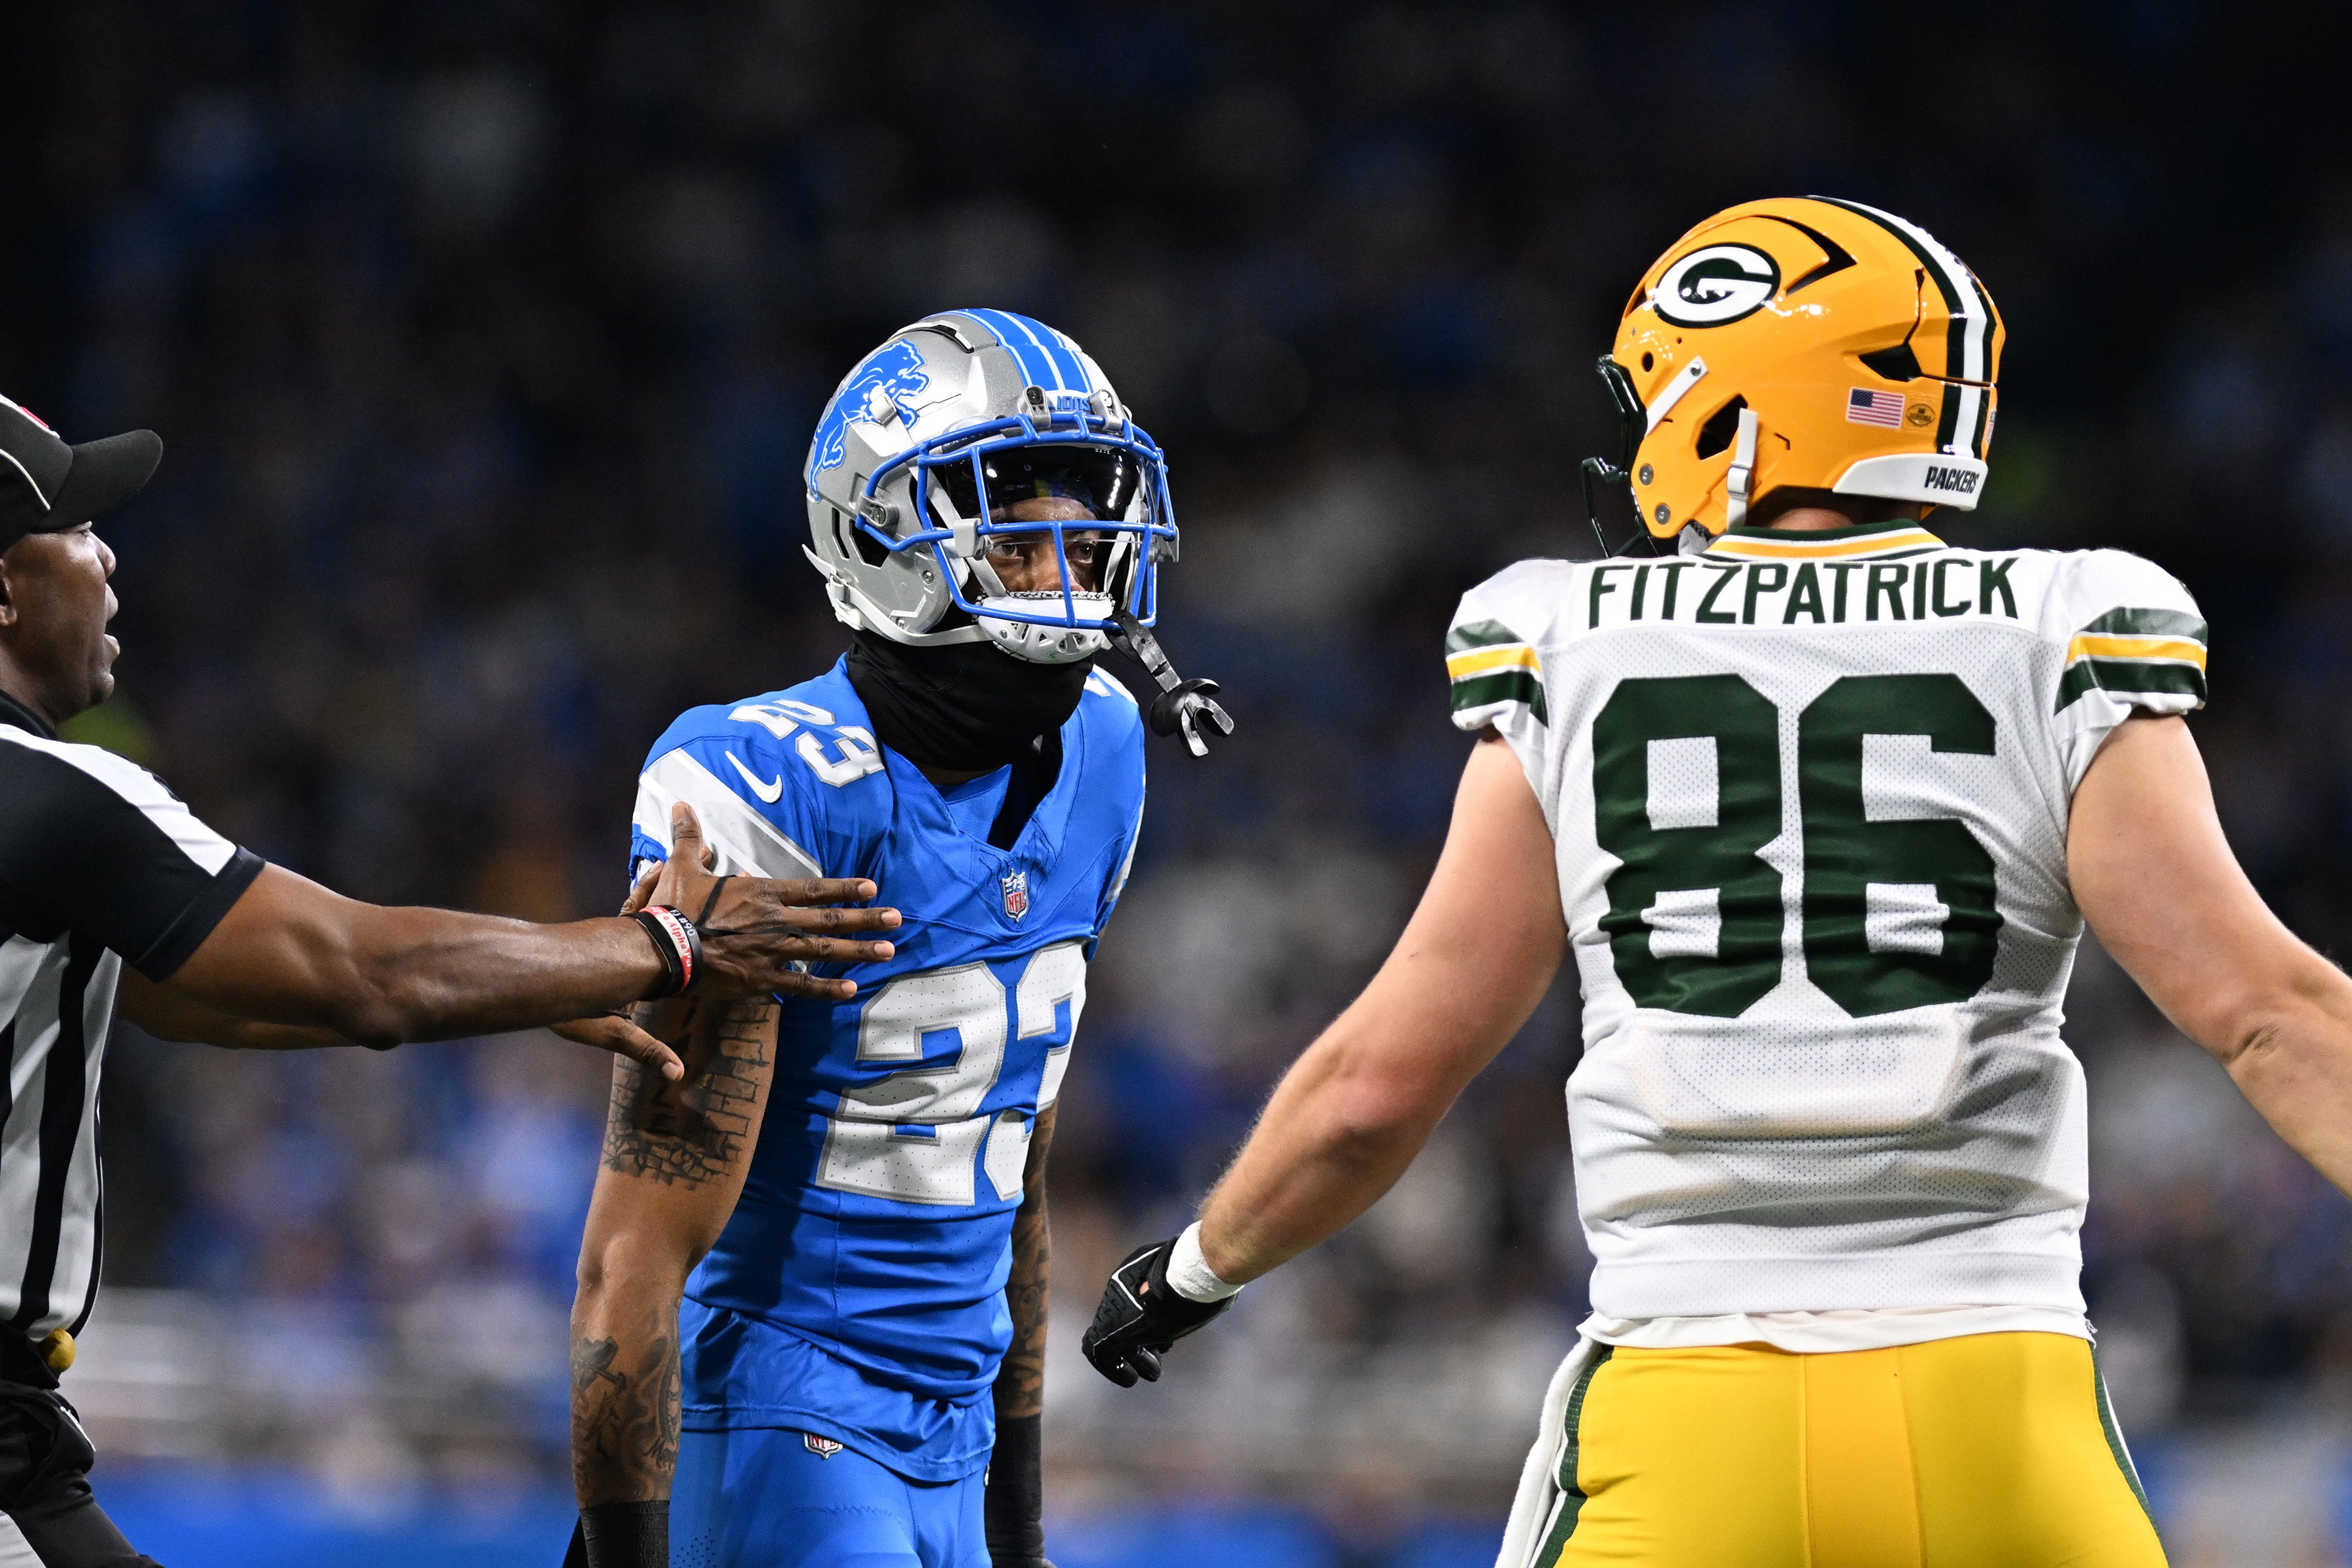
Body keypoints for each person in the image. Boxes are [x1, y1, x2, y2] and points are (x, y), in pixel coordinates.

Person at [1079, 197, 2336, 1567]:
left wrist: (1198, 1268)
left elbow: (1377, 1089)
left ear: (1739, 397)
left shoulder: (1568, 638)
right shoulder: (2061, 625)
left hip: (1686, 1407)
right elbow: (2269, 1014)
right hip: (2000, 1404)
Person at [0, 391, 903, 1567]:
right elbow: (356, 971)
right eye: (73, 526)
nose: (108, 554)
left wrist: (540, 985)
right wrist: (668, 947)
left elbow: (179, 990)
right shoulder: (52, 791)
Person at [565, 308, 1226, 1568]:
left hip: (954, 1429)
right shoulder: (772, 781)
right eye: (1018, 524)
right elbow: (633, 1257)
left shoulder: (1104, 749)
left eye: (1085, 520)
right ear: (882, 534)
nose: (1076, 559)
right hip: (778, 1413)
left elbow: (1013, 1159)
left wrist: (1016, 1515)